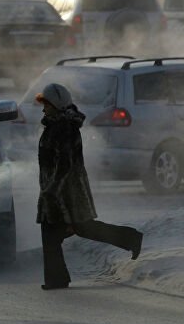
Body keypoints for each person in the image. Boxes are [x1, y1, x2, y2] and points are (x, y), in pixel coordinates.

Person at [35, 83, 143, 290]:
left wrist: (52, 190)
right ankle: (131, 238)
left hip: (65, 193)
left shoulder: (63, 128)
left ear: (56, 105)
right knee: (79, 229)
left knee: (58, 234)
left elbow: (65, 164)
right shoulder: (57, 125)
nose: (43, 108)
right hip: (60, 192)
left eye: (46, 104)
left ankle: (57, 279)